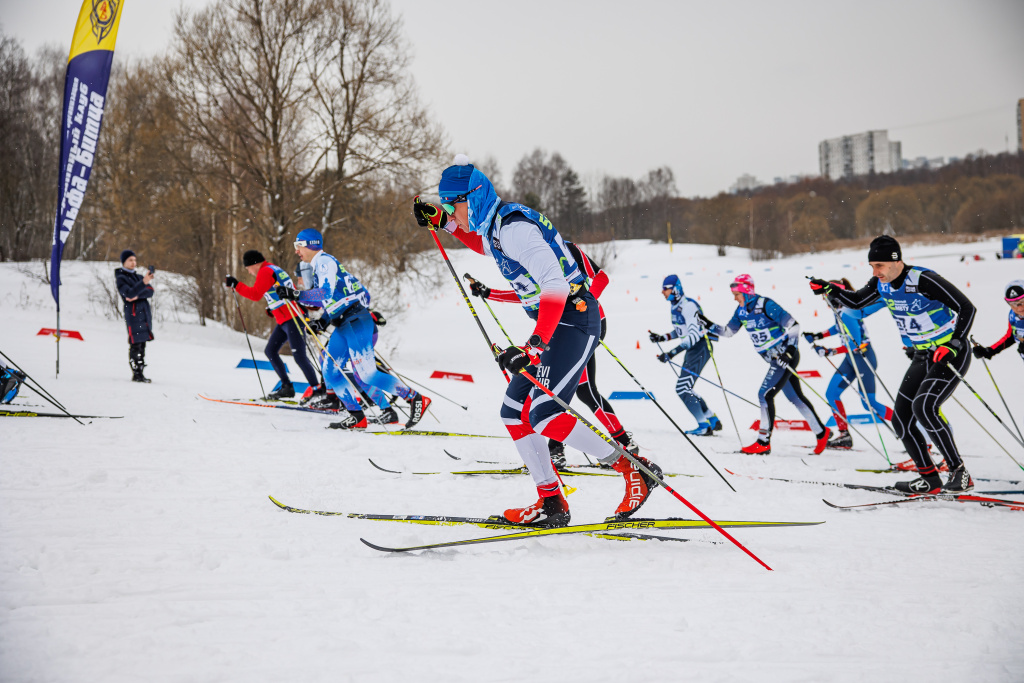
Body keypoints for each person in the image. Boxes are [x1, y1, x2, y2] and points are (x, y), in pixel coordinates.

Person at [413, 154, 663, 527]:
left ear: (475, 197)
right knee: (513, 412)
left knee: (544, 414)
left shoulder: (515, 228)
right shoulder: (496, 227)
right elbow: (479, 243)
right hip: (556, 324)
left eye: (455, 204)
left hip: (574, 321)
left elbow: (555, 284)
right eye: (447, 204)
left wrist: (532, 346)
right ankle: (551, 503)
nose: (452, 210)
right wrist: (444, 222)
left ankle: (633, 469)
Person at [811, 235, 976, 493]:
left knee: (925, 406)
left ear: (896, 261)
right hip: (923, 355)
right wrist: (830, 289)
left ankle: (959, 472)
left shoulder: (923, 279)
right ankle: (929, 478)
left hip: (950, 353)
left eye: (879, 266)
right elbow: (856, 301)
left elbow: (967, 307)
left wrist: (954, 343)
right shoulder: (881, 283)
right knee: (901, 418)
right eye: (872, 267)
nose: (875, 272)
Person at [466, 240, 640, 468]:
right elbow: (529, 294)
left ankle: (620, 445)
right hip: (556, 327)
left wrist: (584, 299)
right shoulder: (529, 253)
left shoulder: (567, 247)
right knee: (561, 387)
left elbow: (601, 278)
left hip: (583, 322)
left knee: (579, 389)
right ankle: (561, 449)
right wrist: (490, 293)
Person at [277, 228, 429, 430]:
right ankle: (357, 416)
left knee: (367, 374)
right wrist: (323, 320)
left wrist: (295, 294)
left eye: (299, 246)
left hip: (356, 321)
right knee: (330, 371)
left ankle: (415, 398)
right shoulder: (321, 265)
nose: (297, 252)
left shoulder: (324, 262)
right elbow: (340, 297)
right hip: (344, 323)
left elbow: (324, 293)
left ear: (310, 244)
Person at [706, 274, 830, 455]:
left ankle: (763, 442)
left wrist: (789, 351)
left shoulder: (766, 305)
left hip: (784, 355)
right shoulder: (740, 311)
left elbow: (794, 326)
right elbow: (728, 332)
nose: (734, 298)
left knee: (764, 394)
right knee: (794, 397)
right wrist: (708, 324)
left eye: (737, 294)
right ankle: (821, 432)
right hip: (773, 359)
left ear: (746, 292)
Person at [803, 277, 892, 450]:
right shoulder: (839, 310)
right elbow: (838, 327)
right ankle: (844, 436)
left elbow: (855, 344)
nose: (824, 301)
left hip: (863, 358)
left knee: (869, 404)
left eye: (825, 296)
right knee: (832, 394)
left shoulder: (847, 311)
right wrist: (818, 336)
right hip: (851, 360)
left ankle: (908, 428)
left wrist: (830, 351)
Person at [225, 250, 320, 400]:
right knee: (270, 351)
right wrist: (273, 309)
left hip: (293, 317)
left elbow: (255, 294)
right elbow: (276, 291)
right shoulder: (274, 269)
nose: (249, 273)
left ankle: (318, 390)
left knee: (299, 356)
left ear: (254, 264)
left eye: (248, 268)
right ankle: (287, 387)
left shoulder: (265, 271)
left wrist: (236, 285)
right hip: (285, 319)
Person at [649, 274, 722, 436]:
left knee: (683, 388)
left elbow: (694, 335)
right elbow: (681, 331)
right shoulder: (676, 306)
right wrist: (662, 337)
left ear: (675, 289)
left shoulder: (689, 306)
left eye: (666, 289)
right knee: (686, 387)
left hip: (701, 347)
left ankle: (704, 426)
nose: (663, 292)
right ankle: (711, 418)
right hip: (693, 349)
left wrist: (672, 353)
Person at [114, 250, 155, 383]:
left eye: (134, 260)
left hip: (144, 313)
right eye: (130, 260)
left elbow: (150, 291)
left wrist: (138, 293)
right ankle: (136, 372)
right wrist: (142, 285)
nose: (133, 263)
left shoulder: (138, 277)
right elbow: (128, 294)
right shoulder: (121, 277)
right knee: (135, 343)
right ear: (124, 262)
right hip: (133, 314)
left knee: (143, 343)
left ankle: (141, 371)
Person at [972, 279, 1024, 365]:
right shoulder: (1013, 316)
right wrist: (990, 351)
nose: (1019, 308)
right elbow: (1011, 336)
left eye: (1022, 302)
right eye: (1014, 304)